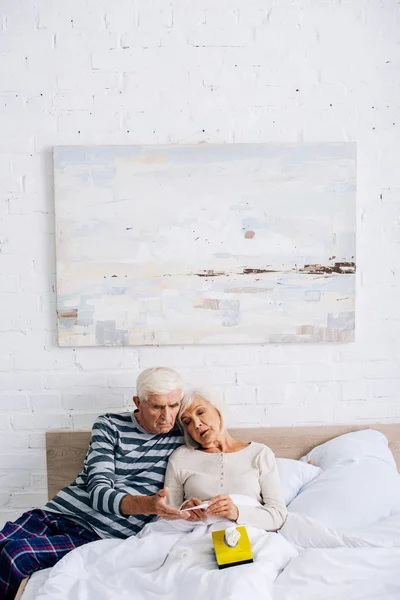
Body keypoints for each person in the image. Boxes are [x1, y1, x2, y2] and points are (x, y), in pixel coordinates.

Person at [0, 367, 188, 600]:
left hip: (95, 534)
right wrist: (147, 505)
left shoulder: (185, 436)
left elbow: (218, 439)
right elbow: (99, 491)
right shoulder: (109, 425)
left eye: (174, 406)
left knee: (16, 555)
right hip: (58, 512)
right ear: (138, 402)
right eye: (157, 406)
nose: (167, 416)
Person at [165, 389, 287, 530]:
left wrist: (237, 513)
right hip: (196, 535)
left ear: (217, 409)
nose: (196, 424)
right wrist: (183, 511)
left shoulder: (259, 453)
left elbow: (278, 516)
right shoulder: (180, 458)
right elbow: (166, 514)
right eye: (187, 422)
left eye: (200, 412)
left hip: (248, 537)